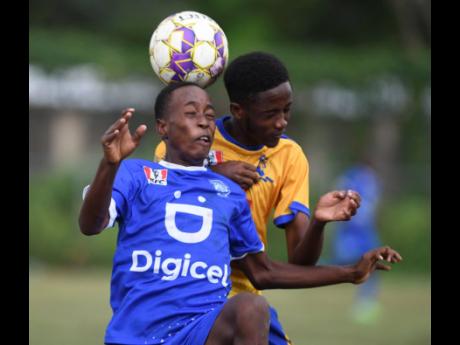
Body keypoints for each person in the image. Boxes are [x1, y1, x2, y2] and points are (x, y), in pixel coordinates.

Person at [79, 82, 402, 345]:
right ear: (163, 127)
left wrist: (350, 273)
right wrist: (110, 164)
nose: (204, 122)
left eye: (208, 114)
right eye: (191, 114)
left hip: (201, 331)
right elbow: (90, 224)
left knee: (251, 307)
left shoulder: (230, 194)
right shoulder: (135, 174)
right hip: (137, 335)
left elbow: (263, 273)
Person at [154, 52, 363, 344]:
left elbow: (300, 261)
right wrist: (214, 173)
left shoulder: (290, 157)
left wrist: (318, 222)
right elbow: (161, 200)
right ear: (238, 110)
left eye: (287, 110)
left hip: (246, 292)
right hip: (187, 291)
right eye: (270, 114)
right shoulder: (191, 137)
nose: (282, 122)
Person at [331, 162, 383, 324]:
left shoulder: (366, 178)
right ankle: (366, 302)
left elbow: (374, 206)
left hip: (362, 231)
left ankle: (366, 302)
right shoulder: (354, 177)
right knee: (350, 263)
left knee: (370, 264)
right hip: (352, 230)